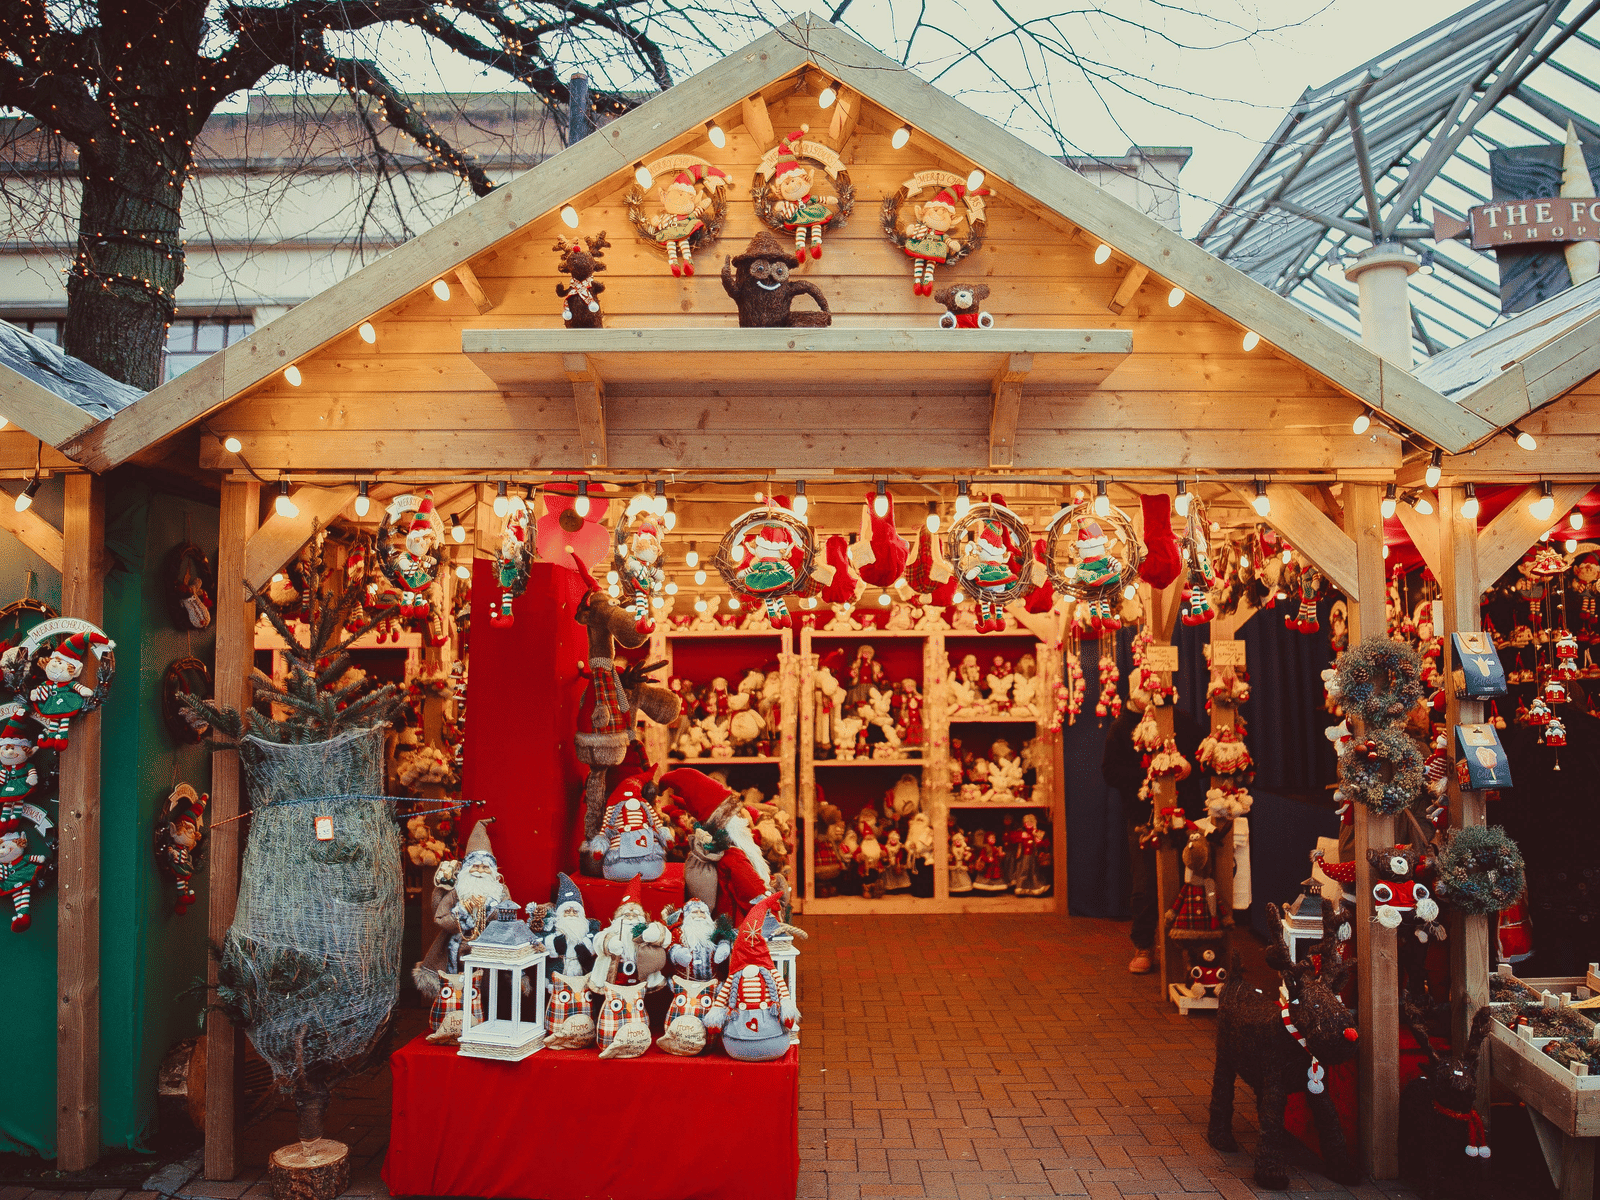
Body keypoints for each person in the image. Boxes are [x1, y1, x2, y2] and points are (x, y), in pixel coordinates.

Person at [1101, 686, 1206, 974]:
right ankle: (1144, 945)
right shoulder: (1121, 728)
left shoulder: (1180, 721)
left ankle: (1191, 946)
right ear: (1134, 696)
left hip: (1186, 813)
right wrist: (1149, 773)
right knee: (1145, 883)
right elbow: (1110, 771)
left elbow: (1203, 754)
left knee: (1192, 879)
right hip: (1143, 816)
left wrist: (1187, 767)